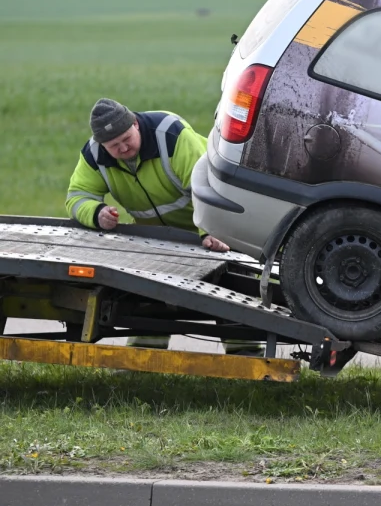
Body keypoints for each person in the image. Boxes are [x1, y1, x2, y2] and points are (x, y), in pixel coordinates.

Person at [64, 98, 261, 356]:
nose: (123, 148)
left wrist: (212, 231)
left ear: (135, 123)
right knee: (149, 295)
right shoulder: (93, 155)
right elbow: (77, 196)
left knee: (232, 293)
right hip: (158, 241)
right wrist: (97, 213)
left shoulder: (171, 135)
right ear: (102, 145)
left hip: (213, 231)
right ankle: (141, 364)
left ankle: (248, 360)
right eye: (114, 146)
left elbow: (210, 189)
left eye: (126, 138)